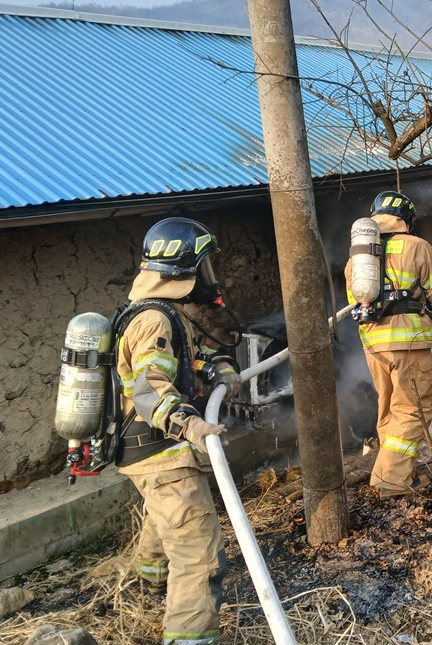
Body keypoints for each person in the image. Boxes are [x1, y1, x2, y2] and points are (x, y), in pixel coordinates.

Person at [114, 217, 243, 645]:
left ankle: (147, 585)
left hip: (149, 452)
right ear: (183, 268)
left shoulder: (166, 314)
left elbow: (187, 359)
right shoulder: (155, 320)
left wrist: (218, 366)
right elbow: (150, 388)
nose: (208, 276)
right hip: (160, 451)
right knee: (199, 552)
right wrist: (192, 425)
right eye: (203, 265)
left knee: (163, 519)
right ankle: (190, 636)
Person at [344, 191, 432, 497]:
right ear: (406, 218)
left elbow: (357, 301)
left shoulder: (357, 259)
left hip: (374, 345)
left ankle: (394, 470)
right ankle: (391, 481)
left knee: (390, 408)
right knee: (413, 409)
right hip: (408, 341)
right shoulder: (417, 246)